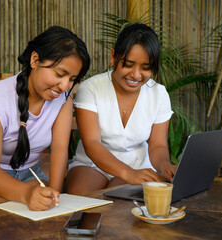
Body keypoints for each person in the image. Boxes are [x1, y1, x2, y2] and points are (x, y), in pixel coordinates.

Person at [0, 26, 90, 210]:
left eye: (72, 79)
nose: (64, 86)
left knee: (43, 212)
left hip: (28, 174)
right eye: (59, 74)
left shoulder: (63, 99)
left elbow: (59, 149)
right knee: (12, 213)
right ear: (35, 59)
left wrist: (53, 195)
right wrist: (26, 194)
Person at [66, 23, 176, 195]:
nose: (136, 75)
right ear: (113, 57)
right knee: (81, 201)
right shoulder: (91, 88)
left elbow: (158, 146)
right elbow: (92, 144)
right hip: (92, 163)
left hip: (138, 166)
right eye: (128, 64)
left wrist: (165, 166)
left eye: (146, 68)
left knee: (118, 205)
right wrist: (127, 173)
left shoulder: (159, 94)